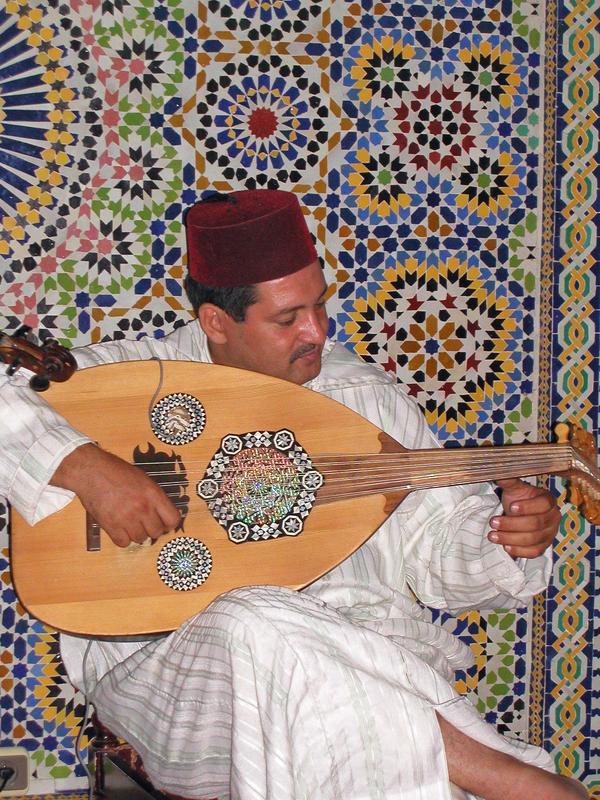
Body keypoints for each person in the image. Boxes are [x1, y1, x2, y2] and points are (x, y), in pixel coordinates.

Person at [0, 190, 587, 800]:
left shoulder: (361, 398)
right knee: (255, 623)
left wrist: (504, 537)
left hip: (371, 649)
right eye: (288, 318)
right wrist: (83, 465)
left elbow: (437, 547)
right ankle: (509, 779)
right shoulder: (126, 379)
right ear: (216, 322)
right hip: (178, 677)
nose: (318, 331)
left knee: (288, 656)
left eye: (319, 306)